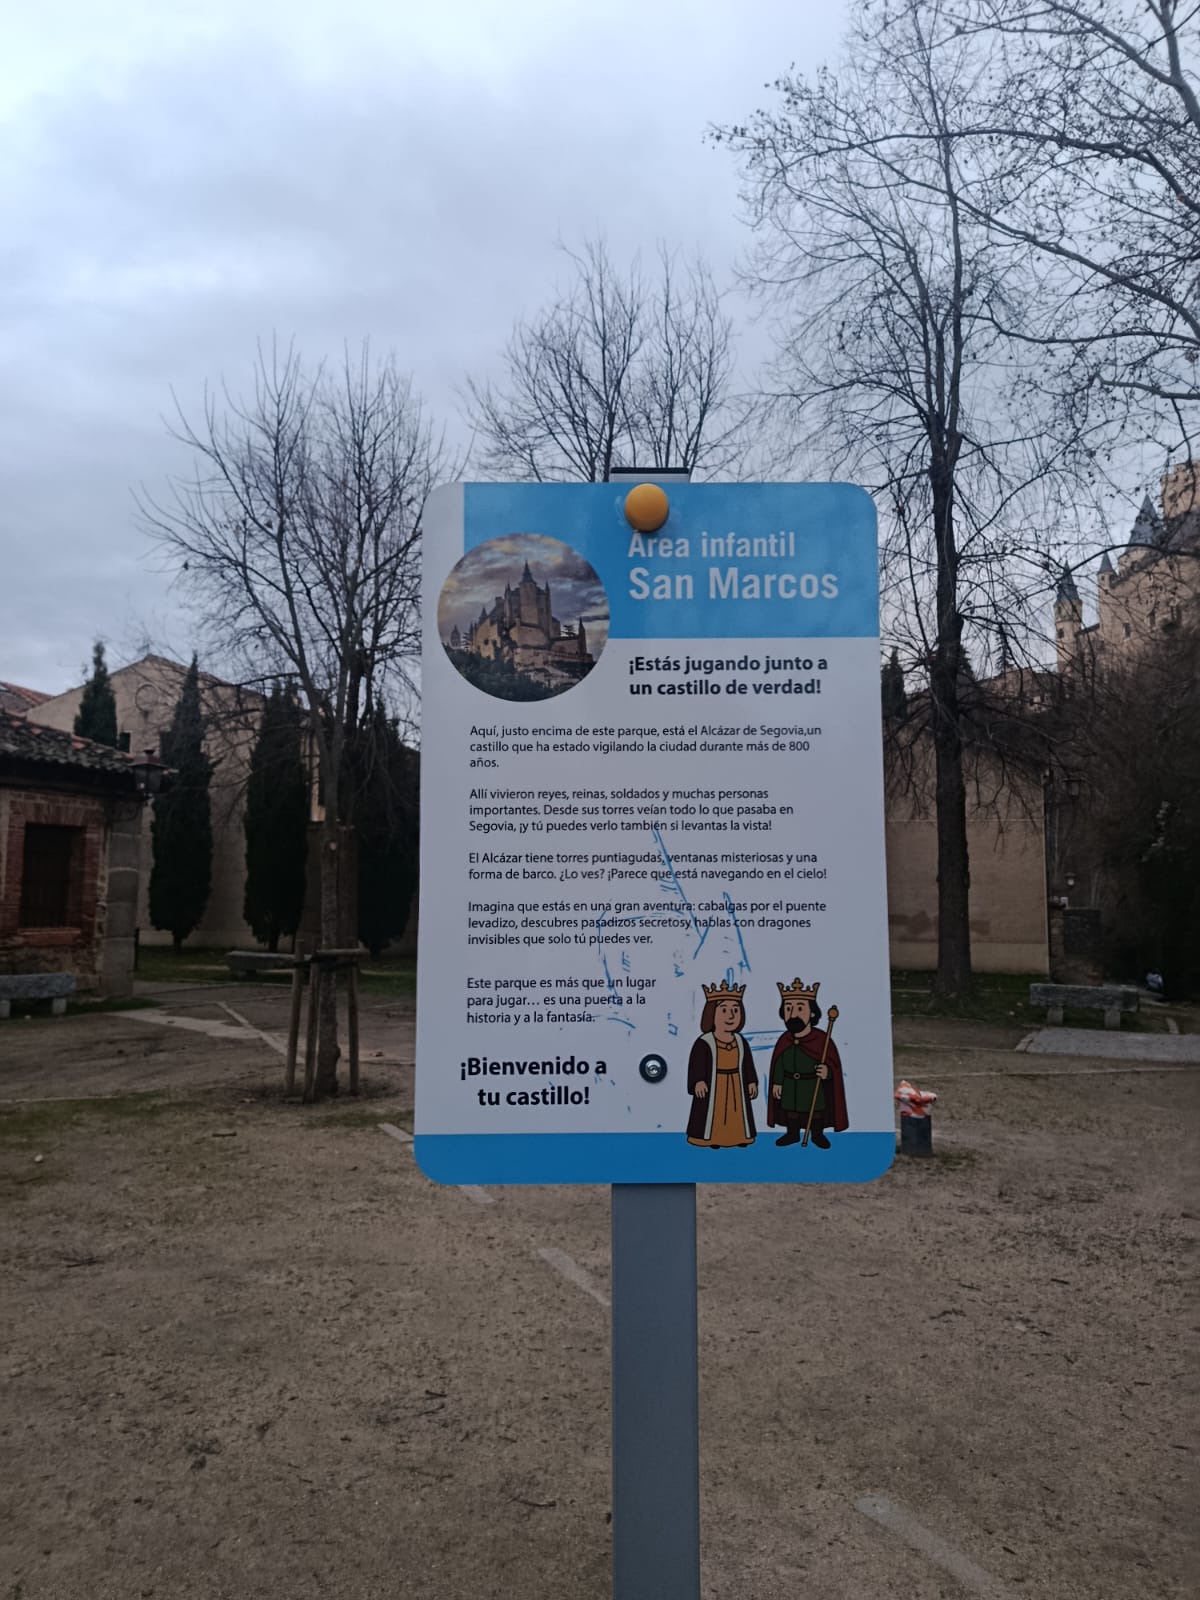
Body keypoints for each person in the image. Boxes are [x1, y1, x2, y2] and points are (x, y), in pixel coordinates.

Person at [767, 979, 848, 1148]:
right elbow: (779, 1063)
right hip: (790, 1085)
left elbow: (833, 1066)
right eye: (788, 1009)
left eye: (800, 1008)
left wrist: (827, 1072)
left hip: (812, 1084)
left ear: (812, 1013)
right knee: (792, 1111)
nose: (793, 1014)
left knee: (816, 1112)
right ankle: (792, 1134)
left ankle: (817, 1135)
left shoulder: (822, 1040)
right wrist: (777, 1082)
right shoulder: (784, 1040)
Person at [686, 980, 758, 1148]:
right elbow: (696, 1065)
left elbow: (747, 1064)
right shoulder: (704, 1042)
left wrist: (751, 1081)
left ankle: (739, 1137)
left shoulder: (740, 1041)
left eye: (735, 1010)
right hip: (715, 1085)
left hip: (736, 1084)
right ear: (712, 1013)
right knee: (713, 1113)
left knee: (736, 1112)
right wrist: (698, 1081)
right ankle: (713, 1139)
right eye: (724, 1010)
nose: (730, 1016)